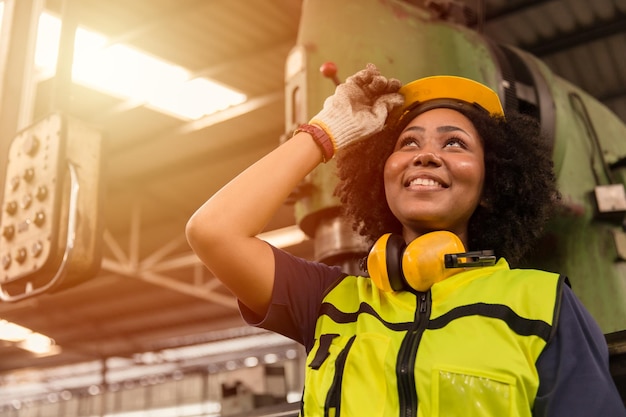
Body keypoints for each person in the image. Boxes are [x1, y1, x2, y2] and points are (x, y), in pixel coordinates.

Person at [186, 64, 625, 416]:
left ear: (492, 188)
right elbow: (213, 231)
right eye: (408, 142)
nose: (426, 154)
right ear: (383, 179)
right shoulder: (328, 303)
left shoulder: (542, 305)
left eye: (455, 144)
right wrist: (327, 131)